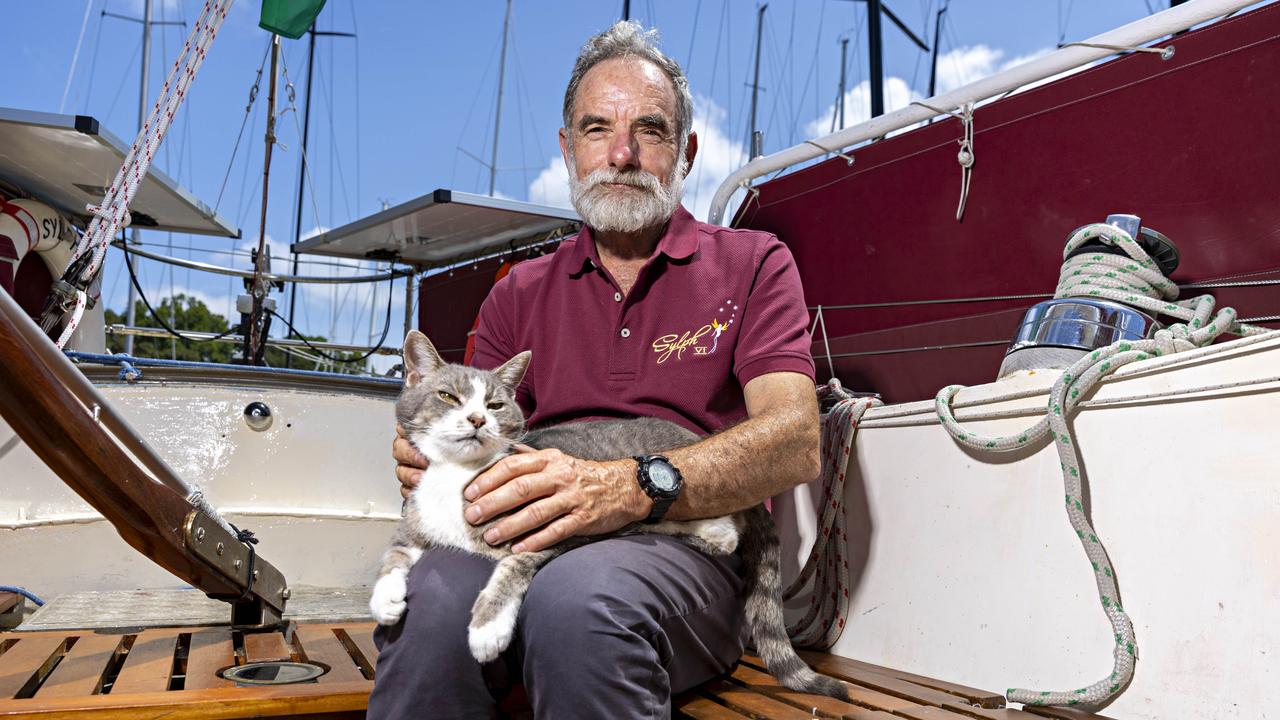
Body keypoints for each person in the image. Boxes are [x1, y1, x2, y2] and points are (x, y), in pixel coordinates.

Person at [369, 20, 819, 720]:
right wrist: (423, 453)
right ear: (567, 148)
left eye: (651, 129)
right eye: (596, 128)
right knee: (427, 601)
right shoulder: (519, 291)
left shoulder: (755, 263)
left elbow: (795, 439)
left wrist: (633, 485)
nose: (622, 153)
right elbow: (464, 421)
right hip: (531, 537)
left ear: (686, 151)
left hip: (685, 548)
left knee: (580, 601)